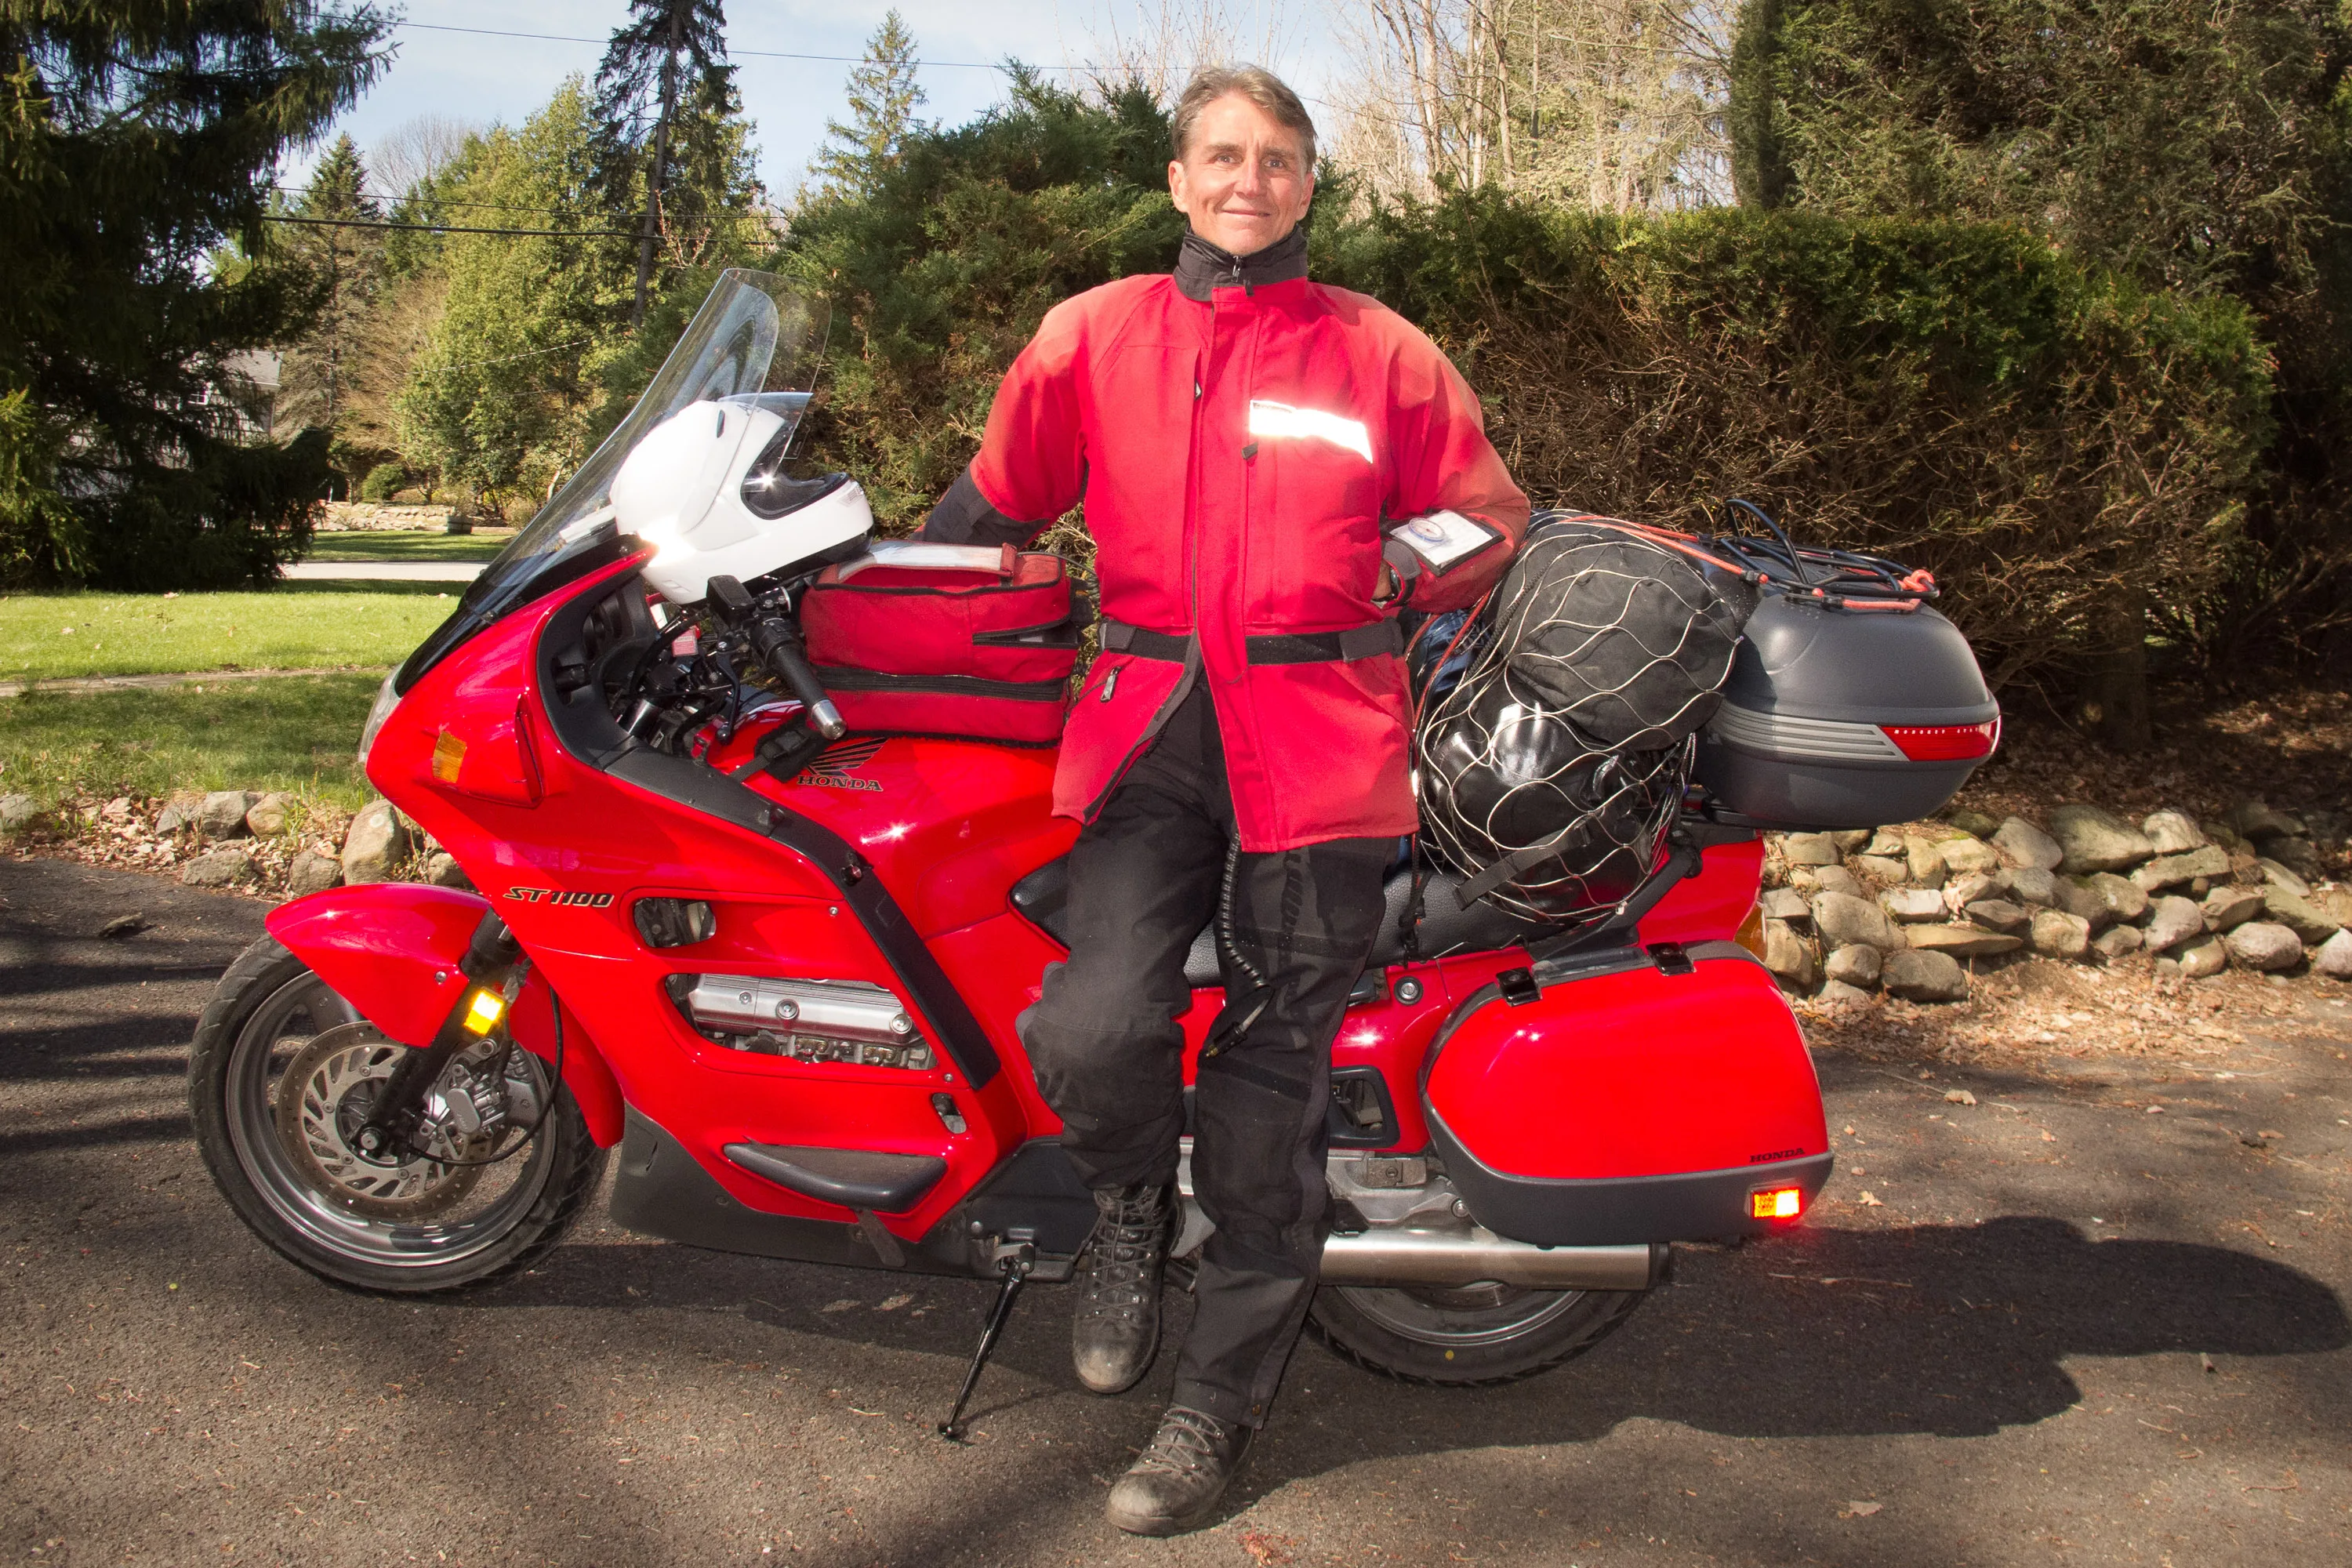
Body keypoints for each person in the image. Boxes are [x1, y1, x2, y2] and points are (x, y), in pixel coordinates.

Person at [920, 65, 1530, 1535]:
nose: (1248, 180)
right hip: (1149, 733)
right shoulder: (1095, 335)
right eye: (1222, 156)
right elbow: (995, 502)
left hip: (1322, 741)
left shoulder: (1379, 351)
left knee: (1270, 1094)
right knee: (1090, 1021)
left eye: (1277, 159)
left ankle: (1214, 1409)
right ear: (1180, 180)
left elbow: (1489, 514)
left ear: (1308, 186)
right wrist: (871, 592)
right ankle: (1128, 1204)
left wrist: (1405, 563)